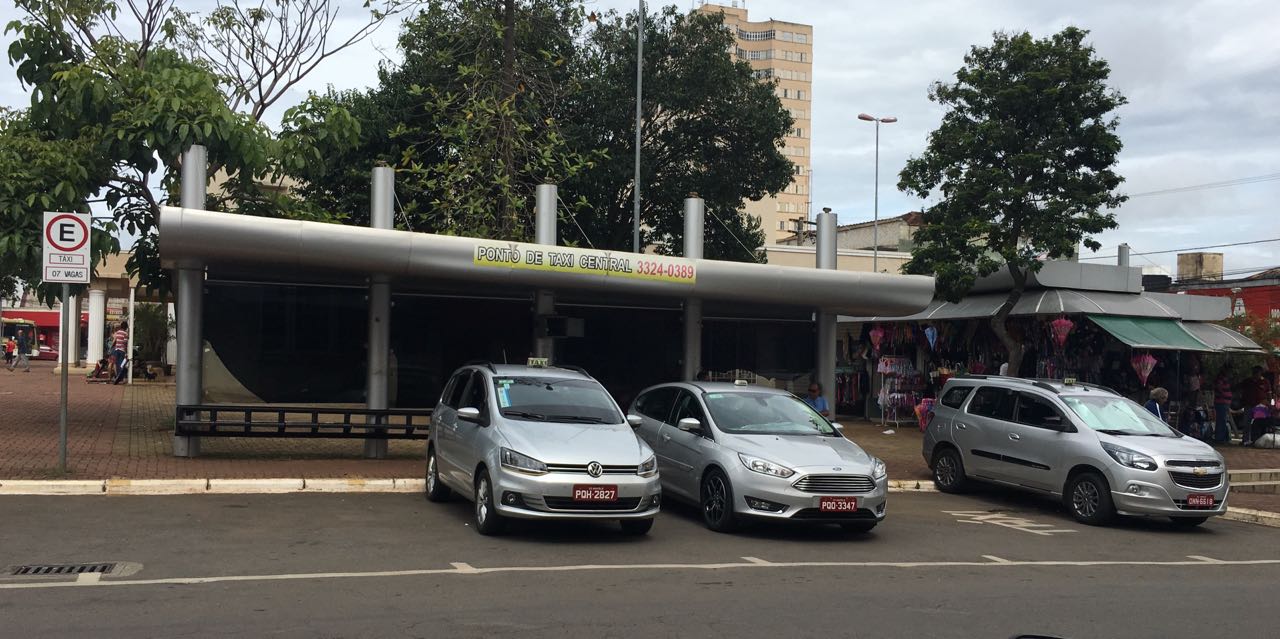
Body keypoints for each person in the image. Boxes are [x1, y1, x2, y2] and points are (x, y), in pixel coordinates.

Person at [1213, 373, 1233, 443]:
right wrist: (1224, 395)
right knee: (1221, 420)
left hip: (1225, 402)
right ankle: (1219, 438)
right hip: (1221, 402)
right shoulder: (1221, 379)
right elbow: (1218, 388)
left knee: (1223, 420)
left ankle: (1222, 437)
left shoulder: (1226, 380)